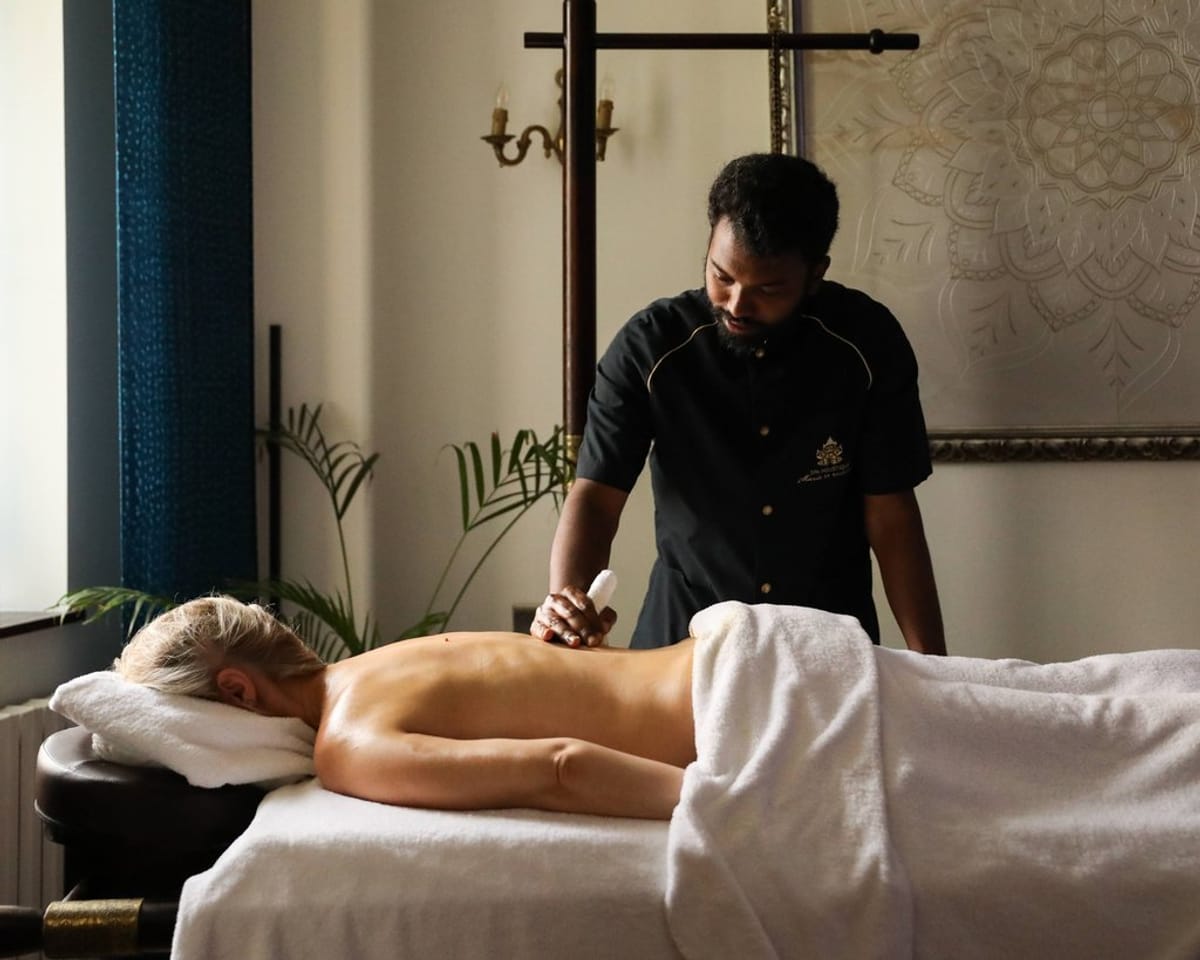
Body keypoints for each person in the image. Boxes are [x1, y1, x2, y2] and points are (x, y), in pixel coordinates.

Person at [532, 152, 946, 654]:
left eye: (768, 289)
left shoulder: (867, 344)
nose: (736, 304)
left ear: (815, 275)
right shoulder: (651, 348)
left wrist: (933, 667)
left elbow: (892, 516)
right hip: (681, 643)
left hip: (826, 644)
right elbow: (597, 497)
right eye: (722, 276)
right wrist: (568, 600)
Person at [115, 596, 695, 821]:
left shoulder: (349, 746)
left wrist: (723, 804)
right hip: (715, 648)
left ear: (238, 691)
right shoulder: (387, 659)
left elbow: (560, 767)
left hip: (722, 711)